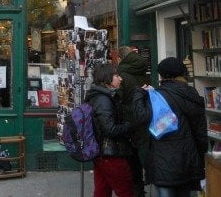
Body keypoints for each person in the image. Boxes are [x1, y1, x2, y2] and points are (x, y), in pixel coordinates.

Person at [133, 57, 208, 197]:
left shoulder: (158, 96)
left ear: (162, 75)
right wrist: (200, 156)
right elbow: (200, 130)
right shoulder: (192, 94)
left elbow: (140, 118)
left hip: (163, 159)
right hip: (187, 158)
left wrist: (138, 95)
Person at [84, 63, 134, 197]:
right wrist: (130, 125)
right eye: (117, 75)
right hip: (111, 152)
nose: (120, 79)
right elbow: (110, 129)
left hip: (102, 152)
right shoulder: (103, 99)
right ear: (107, 78)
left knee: (102, 190)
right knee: (126, 191)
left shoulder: (101, 96)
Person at [117, 46, 150, 197]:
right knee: (139, 153)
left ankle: (134, 190)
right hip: (143, 117)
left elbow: (119, 98)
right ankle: (140, 187)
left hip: (128, 120)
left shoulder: (122, 75)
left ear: (120, 58)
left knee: (130, 157)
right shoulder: (143, 72)